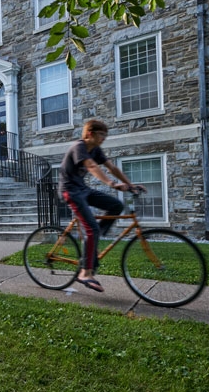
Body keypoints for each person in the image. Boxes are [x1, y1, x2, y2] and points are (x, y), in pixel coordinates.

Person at [58, 119, 145, 292]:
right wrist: (112, 184)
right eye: (101, 134)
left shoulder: (95, 149)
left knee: (116, 206)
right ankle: (85, 273)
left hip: (83, 189)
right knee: (92, 229)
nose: (104, 138)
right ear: (90, 133)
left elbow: (111, 167)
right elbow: (91, 166)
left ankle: (93, 242)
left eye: (105, 135)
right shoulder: (79, 147)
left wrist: (130, 184)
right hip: (70, 191)